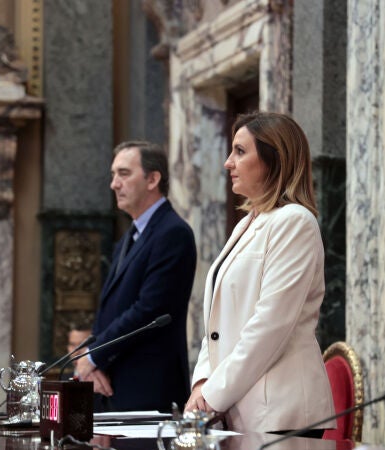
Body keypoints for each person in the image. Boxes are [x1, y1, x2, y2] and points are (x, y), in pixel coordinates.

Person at [184, 112, 335, 434]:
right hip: (237, 404)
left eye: (240, 151)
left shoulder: (295, 222)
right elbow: (217, 326)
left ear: (273, 160)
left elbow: (271, 324)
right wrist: (202, 383)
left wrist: (211, 396)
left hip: (280, 410)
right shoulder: (248, 222)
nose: (228, 163)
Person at [76, 140, 197, 412]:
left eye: (124, 173)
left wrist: (95, 356)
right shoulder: (129, 236)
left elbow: (150, 310)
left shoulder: (173, 233)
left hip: (149, 390)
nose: (114, 184)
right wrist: (94, 364)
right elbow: (110, 310)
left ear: (153, 179)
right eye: (113, 175)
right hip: (113, 385)